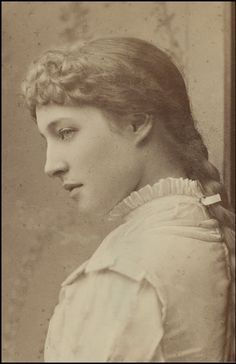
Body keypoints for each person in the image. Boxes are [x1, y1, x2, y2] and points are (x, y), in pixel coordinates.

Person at [22, 37, 235, 362]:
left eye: (65, 132)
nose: (51, 165)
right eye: (46, 140)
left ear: (136, 122)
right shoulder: (206, 233)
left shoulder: (123, 275)